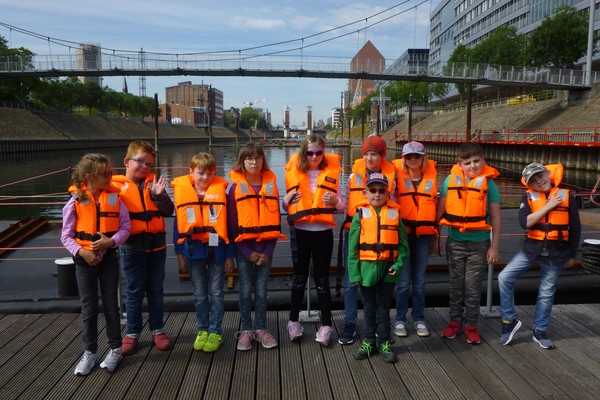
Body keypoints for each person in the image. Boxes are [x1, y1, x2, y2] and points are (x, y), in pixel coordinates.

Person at [60, 153, 130, 375]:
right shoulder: (74, 202)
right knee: (89, 308)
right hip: (84, 261)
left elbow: (125, 228)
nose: (111, 176)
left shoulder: (116, 199)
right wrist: (82, 252)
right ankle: (90, 352)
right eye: (105, 174)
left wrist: (111, 241)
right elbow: (66, 236)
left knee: (111, 305)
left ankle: (115, 348)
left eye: (112, 172)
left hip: (109, 259)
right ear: (90, 176)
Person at [498, 163, 580, 349]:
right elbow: (525, 222)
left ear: (548, 173)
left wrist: (572, 255)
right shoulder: (527, 197)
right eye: (533, 181)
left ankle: (540, 330)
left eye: (540, 176)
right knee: (504, 277)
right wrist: (549, 206)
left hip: (556, 253)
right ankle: (508, 321)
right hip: (531, 250)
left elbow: (575, 228)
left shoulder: (568, 196)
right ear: (530, 185)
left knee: (546, 293)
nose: (538, 181)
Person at [112, 140, 174, 356]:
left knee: (156, 290)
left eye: (149, 164)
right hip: (133, 248)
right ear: (127, 161)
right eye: (141, 162)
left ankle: (158, 329)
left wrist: (159, 195)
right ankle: (132, 333)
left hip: (157, 247)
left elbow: (168, 211)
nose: (146, 168)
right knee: (134, 290)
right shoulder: (115, 188)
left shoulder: (154, 184)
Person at [283, 134, 345, 347]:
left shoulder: (331, 172)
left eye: (319, 152)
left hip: (323, 233)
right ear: (304, 152)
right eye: (310, 152)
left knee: (322, 280)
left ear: (323, 151)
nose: (314, 156)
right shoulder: (295, 172)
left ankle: (326, 324)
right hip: (300, 232)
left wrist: (335, 200)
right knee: (299, 278)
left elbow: (341, 207)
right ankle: (293, 320)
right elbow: (286, 205)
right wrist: (286, 200)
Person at [437, 142, 502, 344]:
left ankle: (471, 325)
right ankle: (454, 322)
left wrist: (495, 246)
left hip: (479, 244)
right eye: (468, 163)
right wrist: (436, 237)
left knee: (473, 287)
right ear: (460, 164)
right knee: (456, 285)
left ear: (483, 160)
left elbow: (497, 217)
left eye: (476, 161)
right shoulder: (450, 181)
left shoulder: (489, 184)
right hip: (455, 243)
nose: (473, 166)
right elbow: (439, 212)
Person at [172, 152, 234, 352]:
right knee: (199, 295)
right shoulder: (183, 194)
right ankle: (202, 329)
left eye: (210, 173)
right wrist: (179, 252)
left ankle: (215, 331)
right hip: (193, 251)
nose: (205, 178)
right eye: (201, 173)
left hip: (217, 251)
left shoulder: (220, 195)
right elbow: (177, 227)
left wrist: (229, 255)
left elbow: (229, 228)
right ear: (191, 172)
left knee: (216, 293)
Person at [338, 134, 396, 345]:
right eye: (366, 154)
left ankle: (380, 328)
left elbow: (394, 202)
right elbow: (346, 202)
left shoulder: (391, 176)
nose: (370, 158)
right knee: (351, 281)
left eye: (374, 154)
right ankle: (350, 322)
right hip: (356, 231)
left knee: (381, 284)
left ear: (382, 156)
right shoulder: (354, 177)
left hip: (382, 236)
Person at [227, 143, 286, 351]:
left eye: (258, 158)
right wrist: (248, 253)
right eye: (249, 158)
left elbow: (275, 222)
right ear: (242, 162)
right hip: (245, 251)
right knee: (244, 290)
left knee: (261, 290)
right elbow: (232, 227)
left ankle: (261, 328)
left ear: (263, 161)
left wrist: (267, 252)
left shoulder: (271, 187)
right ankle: (246, 329)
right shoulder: (234, 189)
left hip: (265, 251)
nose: (254, 162)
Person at [348, 173, 409, 363]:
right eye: (373, 190)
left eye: (381, 190)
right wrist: (355, 273)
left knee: (383, 308)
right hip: (366, 270)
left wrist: (398, 265)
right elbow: (352, 248)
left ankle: (384, 342)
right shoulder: (359, 215)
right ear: (365, 193)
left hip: (388, 269)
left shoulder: (395, 215)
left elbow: (403, 247)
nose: (377, 194)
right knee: (369, 308)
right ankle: (368, 342)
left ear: (387, 193)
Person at [393, 141, 438, 338]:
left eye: (416, 156)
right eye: (408, 157)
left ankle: (419, 317)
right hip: (402, 235)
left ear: (423, 158)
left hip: (424, 235)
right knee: (403, 281)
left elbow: (437, 210)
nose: (412, 160)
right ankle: (400, 319)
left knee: (419, 281)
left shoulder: (432, 178)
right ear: (403, 159)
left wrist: (436, 237)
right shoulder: (396, 178)